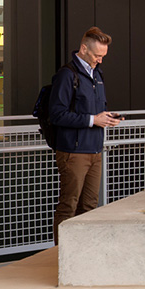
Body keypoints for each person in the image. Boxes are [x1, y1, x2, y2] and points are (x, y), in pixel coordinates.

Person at [48, 26, 121, 242]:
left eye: (103, 56)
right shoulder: (66, 75)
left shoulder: (97, 74)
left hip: (95, 149)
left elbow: (92, 110)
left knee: (89, 206)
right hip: (73, 152)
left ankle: (81, 256)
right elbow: (57, 115)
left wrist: (107, 117)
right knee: (69, 205)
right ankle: (60, 256)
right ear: (83, 49)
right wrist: (93, 120)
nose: (100, 60)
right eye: (98, 55)